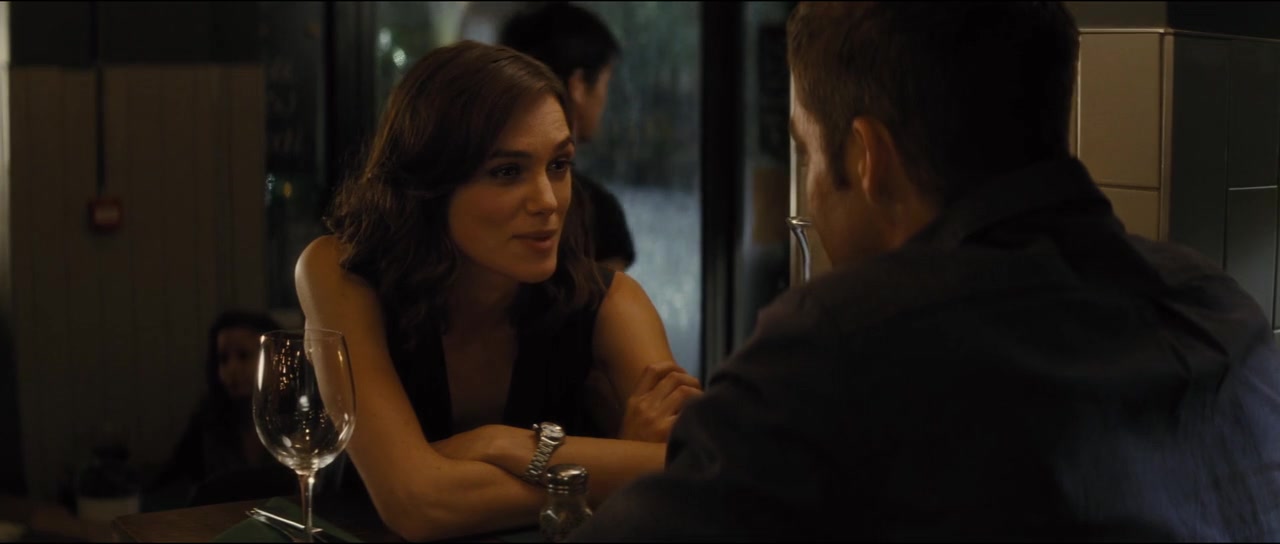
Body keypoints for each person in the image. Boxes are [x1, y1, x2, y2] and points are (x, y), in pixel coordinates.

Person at [571, 2, 1280, 541]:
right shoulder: (1220, 308)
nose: (808, 190)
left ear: (867, 159)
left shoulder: (842, 343)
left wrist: (603, 463)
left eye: (806, 152)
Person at [294, 40, 701, 541]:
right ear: (429, 183)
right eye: (507, 172)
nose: (548, 201)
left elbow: (702, 473)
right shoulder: (340, 273)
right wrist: (610, 475)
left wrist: (502, 444)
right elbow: (418, 504)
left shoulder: (611, 302)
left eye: (559, 165)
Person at [499, 2, 636, 271]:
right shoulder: (598, 214)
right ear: (578, 85)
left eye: (559, 167)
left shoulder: (475, 188)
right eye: (605, 84)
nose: (546, 202)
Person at [148, 310, 295, 507]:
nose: (232, 369)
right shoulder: (209, 419)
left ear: (276, 358)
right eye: (223, 359)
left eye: (243, 356)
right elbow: (171, 480)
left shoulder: (300, 418)